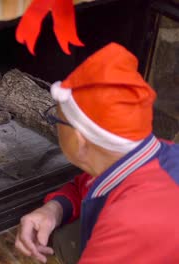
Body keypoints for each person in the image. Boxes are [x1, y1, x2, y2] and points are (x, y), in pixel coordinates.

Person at [15, 42, 179, 263]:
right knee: (64, 238)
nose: (54, 125)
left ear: (80, 139)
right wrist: (53, 210)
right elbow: (88, 183)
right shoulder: (153, 153)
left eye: (56, 119)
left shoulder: (131, 223)